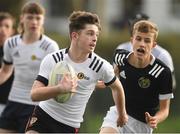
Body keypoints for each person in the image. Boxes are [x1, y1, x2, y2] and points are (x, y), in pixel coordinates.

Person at [25, 11, 128, 133]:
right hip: (44, 116)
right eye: (90, 34)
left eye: (96, 35)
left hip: (68, 125)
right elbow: (34, 94)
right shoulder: (53, 59)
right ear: (75, 36)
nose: (94, 38)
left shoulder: (100, 66)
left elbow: (117, 87)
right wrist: (59, 89)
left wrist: (122, 114)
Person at [100, 20, 174, 133]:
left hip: (142, 125)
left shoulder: (162, 72)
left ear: (153, 45)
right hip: (118, 113)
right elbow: (112, 80)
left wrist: (155, 119)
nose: (142, 44)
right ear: (132, 41)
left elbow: (165, 110)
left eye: (147, 40)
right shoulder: (119, 57)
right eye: (138, 39)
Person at [0, 2, 59, 133]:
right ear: (22, 18)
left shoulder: (50, 46)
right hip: (13, 102)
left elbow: (54, 78)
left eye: (38, 18)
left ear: (43, 20)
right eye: (30, 17)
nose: (34, 22)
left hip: (35, 105)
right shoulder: (11, 43)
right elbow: (5, 71)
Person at [116, 13, 176, 90]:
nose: (139, 28)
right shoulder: (121, 49)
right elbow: (115, 78)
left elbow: (170, 84)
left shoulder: (162, 55)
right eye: (135, 25)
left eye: (143, 26)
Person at [0, 12, 15, 114]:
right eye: (0, 25)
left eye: (6, 26)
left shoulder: (17, 52)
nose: (2, 29)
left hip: (12, 106)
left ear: (12, 31)